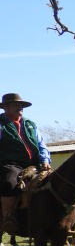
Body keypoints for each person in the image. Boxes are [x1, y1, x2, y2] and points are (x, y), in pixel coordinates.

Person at [0, 93, 52, 234]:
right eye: (15, 105)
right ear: (5, 107)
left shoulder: (30, 124)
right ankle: (8, 218)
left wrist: (45, 160)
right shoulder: (1, 124)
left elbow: (41, 145)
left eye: (21, 105)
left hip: (35, 163)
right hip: (10, 162)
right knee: (9, 182)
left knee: (56, 180)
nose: (19, 108)